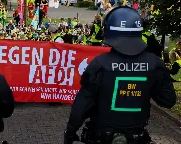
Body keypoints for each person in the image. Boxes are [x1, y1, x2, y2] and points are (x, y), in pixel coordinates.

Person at [64, 6, 176, 144]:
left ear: (109, 30)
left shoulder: (99, 64)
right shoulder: (155, 64)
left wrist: (70, 133)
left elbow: (81, 107)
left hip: (101, 137)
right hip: (137, 138)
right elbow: (168, 100)